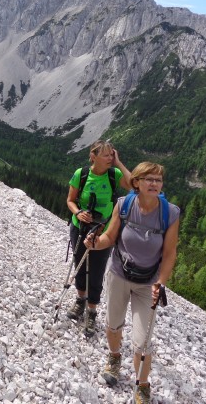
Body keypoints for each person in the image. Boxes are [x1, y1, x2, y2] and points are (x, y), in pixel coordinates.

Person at [83, 161, 180, 404]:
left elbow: (169, 254)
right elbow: (109, 238)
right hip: (118, 273)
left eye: (158, 180)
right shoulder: (124, 205)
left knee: (143, 340)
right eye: (149, 179)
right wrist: (94, 243)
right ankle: (115, 357)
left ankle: (142, 384)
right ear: (136, 182)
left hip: (148, 283)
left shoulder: (170, 213)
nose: (155, 184)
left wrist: (161, 283)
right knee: (113, 324)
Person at [66, 140, 131, 336]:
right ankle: (80, 300)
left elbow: (134, 185)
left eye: (112, 154)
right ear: (93, 156)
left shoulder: (114, 174)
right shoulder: (82, 174)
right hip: (80, 227)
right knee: (80, 264)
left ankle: (91, 311)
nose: (110, 158)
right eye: (106, 155)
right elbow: (70, 200)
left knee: (97, 269)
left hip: (104, 230)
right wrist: (78, 213)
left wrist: (119, 163)